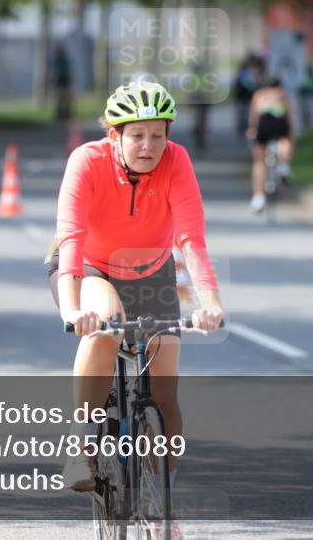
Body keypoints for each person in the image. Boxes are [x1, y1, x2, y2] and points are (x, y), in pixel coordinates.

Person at [47, 81, 225, 495]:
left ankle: (164, 496)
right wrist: (73, 311)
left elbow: (191, 240)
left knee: (165, 395)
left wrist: (210, 303)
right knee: (107, 325)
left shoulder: (176, 162)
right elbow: (71, 237)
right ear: (114, 135)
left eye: (158, 135)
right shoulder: (87, 161)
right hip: (88, 267)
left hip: (150, 269)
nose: (148, 146)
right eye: (137, 135)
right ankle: (83, 443)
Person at [246, 75, 296, 213]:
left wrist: (252, 129)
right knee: (286, 140)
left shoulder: (259, 95)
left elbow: (253, 115)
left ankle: (258, 197)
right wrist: (291, 130)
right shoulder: (281, 94)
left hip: (263, 123)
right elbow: (289, 114)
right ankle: (283, 165)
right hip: (279, 122)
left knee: (259, 161)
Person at [232, 53, 262, 135]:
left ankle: (244, 126)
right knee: (243, 112)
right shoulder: (245, 70)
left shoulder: (245, 70)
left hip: (245, 95)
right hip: (243, 95)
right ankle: (242, 127)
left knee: (245, 112)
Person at [52, 44, 73, 122]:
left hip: (65, 80)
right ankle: (60, 114)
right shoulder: (56, 61)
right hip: (59, 81)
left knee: (66, 98)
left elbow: (69, 72)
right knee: (59, 99)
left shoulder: (65, 61)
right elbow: (54, 72)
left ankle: (67, 113)